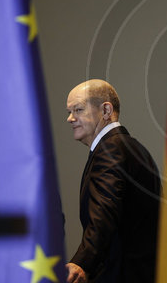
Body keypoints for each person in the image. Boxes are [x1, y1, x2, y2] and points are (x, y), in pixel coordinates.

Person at [65, 79, 161, 283]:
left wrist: (82, 262)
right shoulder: (135, 149)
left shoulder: (110, 150)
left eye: (78, 109)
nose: (70, 118)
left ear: (106, 110)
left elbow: (103, 213)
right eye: (69, 112)